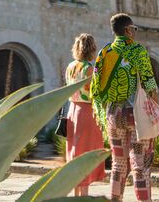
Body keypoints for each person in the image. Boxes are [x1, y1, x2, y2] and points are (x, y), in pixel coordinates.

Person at [91, 13, 159, 202]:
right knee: (140, 166)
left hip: (113, 114)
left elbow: (96, 89)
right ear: (128, 30)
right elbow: (150, 84)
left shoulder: (104, 53)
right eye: (134, 29)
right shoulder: (137, 51)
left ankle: (115, 200)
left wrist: (102, 113)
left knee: (118, 164)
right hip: (136, 115)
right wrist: (156, 115)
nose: (134, 33)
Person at [65, 33, 107, 196]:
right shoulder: (88, 68)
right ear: (91, 49)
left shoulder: (70, 67)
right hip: (86, 112)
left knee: (74, 151)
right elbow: (93, 93)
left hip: (72, 110)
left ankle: (76, 194)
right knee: (86, 152)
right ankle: (84, 195)